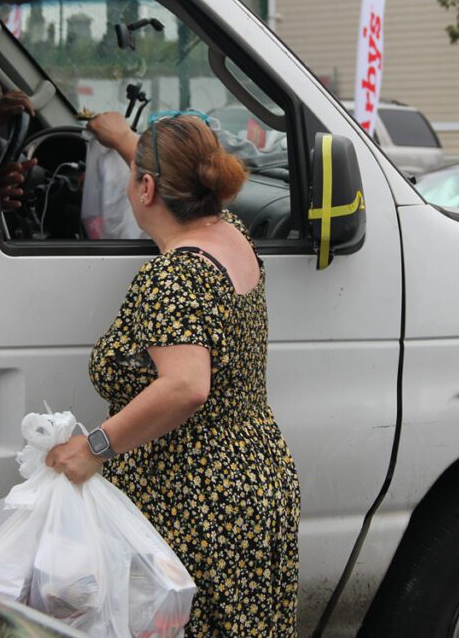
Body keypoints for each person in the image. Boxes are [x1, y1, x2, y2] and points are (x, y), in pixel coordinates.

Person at [45, 111, 301, 636]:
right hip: (253, 480)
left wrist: (92, 448)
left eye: (135, 170)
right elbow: (172, 171)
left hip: (197, 506)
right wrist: (121, 137)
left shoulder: (175, 274)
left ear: (146, 187)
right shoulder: (230, 233)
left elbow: (185, 386)